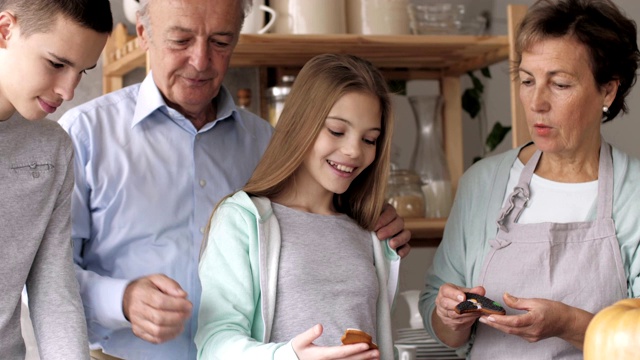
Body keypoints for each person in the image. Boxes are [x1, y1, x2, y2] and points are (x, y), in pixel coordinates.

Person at [58, 0, 411, 359]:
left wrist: (372, 212)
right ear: (144, 34)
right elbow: (44, 278)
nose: (200, 60)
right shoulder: (85, 134)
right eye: (180, 40)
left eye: (220, 42)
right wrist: (122, 299)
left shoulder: (267, 143)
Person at [418, 0, 640, 359]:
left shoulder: (636, 194)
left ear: (608, 91)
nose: (537, 102)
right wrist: (450, 315)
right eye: (526, 80)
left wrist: (567, 324)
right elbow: (438, 316)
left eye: (561, 84)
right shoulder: (482, 183)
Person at [196, 53, 398, 360]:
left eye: (370, 139)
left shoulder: (369, 230)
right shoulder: (243, 219)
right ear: (301, 123)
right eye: (337, 131)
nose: (354, 151)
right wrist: (290, 356)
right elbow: (214, 345)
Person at [0, 0, 112, 358]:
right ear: (5, 30)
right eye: (57, 64)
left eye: (82, 71)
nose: (68, 91)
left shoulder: (53, 149)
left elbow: (53, 289)